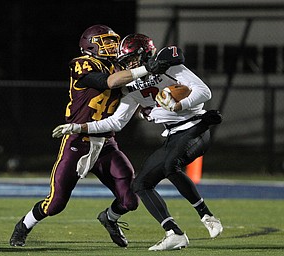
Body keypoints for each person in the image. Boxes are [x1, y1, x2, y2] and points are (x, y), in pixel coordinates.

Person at [52, 33, 223, 251]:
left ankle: (207, 217)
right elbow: (115, 122)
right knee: (140, 185)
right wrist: (79, 127)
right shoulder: (130, 88)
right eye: (126, 62)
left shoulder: (167, 66)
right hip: (173, 135)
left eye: (132, 59)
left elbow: (204, 91)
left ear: (144, 53)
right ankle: (174, 233)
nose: (130, 65)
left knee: (171, 166)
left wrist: (179, 105)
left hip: (196, 127)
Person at [9, 26, 171, 248]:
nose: (113, 46)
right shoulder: (82, 63)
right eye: (106, 42)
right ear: (90, 44)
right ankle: (23, 226)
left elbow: (128, 93)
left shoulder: (119, 66)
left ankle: (110, 219)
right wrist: (146, 68)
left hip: (107, 143)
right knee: (55, 204)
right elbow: (108, 82)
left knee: (130, 200)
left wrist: (143, 107)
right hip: (78, 141)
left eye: (113, 42)